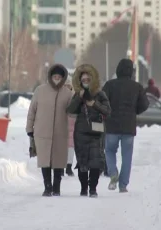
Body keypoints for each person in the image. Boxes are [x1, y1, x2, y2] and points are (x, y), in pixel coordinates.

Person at [102, 58, 149, 193]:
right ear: (131, 72)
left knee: (110, 151)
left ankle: (113, 173)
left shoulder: (109, 85)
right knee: (127, 155)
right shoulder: (137, 87)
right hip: (129, 127)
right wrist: (134, 111)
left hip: (111, 126)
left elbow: (102, 101)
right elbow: (145, 104)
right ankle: (123, 185)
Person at [26, 64, 73, 197]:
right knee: (44, 160)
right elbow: (32, 111)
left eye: (59, 77)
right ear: (50, 77)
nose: (57, 79)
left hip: (60, 132)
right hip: (42, 131)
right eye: (54, 76)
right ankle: (47, 186)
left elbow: (74, 112)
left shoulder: (68, 93)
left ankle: (56, 187)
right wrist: (29, 128)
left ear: (63, 78)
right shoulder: (40, 91)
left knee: (58, 160)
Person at [67, 64, 111, 198]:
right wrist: (79, 97)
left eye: (88, 80)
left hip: (96, 133)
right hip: (80, 133)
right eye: (83, 80)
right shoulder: (77, 95)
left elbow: (108, 111)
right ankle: (83, 188)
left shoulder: (100, 94)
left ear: (92, 80)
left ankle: (93, 188)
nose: (85, 82)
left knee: (95, 162)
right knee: (82, 162)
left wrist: (94, 104)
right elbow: (70, 110)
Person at [64, 79, 75, 177]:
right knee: (62, 147)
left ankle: (68, 166)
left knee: (71, 147)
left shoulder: (74, 97)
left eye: (69, 86)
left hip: (72, 125)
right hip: (62, 126)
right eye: (65, 86)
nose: (67, 88)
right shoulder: (59, 97)